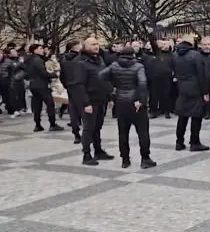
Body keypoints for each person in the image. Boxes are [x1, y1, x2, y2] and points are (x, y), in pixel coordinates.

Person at [99, 47, 156, 168]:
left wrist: (112, 89)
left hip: (120, 101)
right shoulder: (138, 66)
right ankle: (145, 159)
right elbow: (142, 83)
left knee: (123, 132)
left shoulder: (114, 65)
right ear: (133, 54)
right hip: (135, 102)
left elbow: (101, 76)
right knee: (143, 132)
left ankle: (125, 160)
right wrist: (142, 100)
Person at [75, 37, 115, 165]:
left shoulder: (99, 60)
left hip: (101, 98)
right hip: (90, 100)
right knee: (89, 128)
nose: (96, 46)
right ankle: (86, 154)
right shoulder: (81, 62)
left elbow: (105, 80)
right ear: (85, 47)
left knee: (97, 127)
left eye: (97, 44)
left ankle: (98, 150)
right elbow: (79, 85)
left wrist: (109, 97)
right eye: (93, 44)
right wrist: (86, 103)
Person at [173, 36, 210, 152]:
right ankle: (195, 142)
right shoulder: (195, 55)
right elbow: (201, 74)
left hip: (182, 88)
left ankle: (179, 142)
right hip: (195, 88)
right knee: (196, 116)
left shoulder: (175, 55)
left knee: (182, 117)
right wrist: (205, 91)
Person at [24, 44, 64, 132]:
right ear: (35, 50)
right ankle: (52, 124)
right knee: (50, 104)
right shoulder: (38, 60)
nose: (43, 50)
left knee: (37, 105)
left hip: (33, 85)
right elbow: (43, 74)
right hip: (42, 85)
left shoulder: (28, 60)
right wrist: (54, 74)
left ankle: (37, 125)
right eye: (41, 48)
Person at [60, 40, 84, 144]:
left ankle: (76, 134)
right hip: (81, 86)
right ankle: (88, 134)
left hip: (70, 86)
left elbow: (62, 75)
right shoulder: (80, 59)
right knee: (85, 111)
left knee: (73, 111)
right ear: (75, 47)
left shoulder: (64, 59)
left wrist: (66, 84)